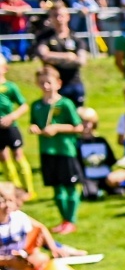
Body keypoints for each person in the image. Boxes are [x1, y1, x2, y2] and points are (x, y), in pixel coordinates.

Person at [31, 64, 85, 233]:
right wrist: (33, 128)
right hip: (47, 150)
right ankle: (63, 220)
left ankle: (71, 220)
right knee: (56, 189)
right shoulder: (36, 105)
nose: (45, 86)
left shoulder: (66, 104)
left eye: (48, 82)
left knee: (69, 187)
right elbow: (34, 122)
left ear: (58, 83)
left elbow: (78, 127)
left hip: (65, 150)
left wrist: (58, 128)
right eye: (41, 83)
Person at [0, 179, 84, 270]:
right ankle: (35, 269)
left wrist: (53, 248)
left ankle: (65, 251)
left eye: (10, 200)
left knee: (40, 256)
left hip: (20, 259)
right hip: (4, 264)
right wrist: (8, 261)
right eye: (2, 202)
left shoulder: (18, 216)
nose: (8, 205)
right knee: (39, 260)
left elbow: (40, 228)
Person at [37, 4, 88, 107]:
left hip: (74, 82)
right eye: (55, 15)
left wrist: (54, 58)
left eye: (61, 15)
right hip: (54, 85)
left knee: (78, 115)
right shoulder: (44, 38)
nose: (59, 19)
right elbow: (44, 55)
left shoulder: (76, 39)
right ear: (51, 17)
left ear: (68, 16)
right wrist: (67, 56)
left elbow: (81, 61)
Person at [0, 54, 34, 199]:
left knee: (18, 155)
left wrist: (12, 116)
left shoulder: (10, 87)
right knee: (3, 157)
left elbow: (24, 105)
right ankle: (13, 191)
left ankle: (29, 189)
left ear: (5, 69)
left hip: (10, 127)